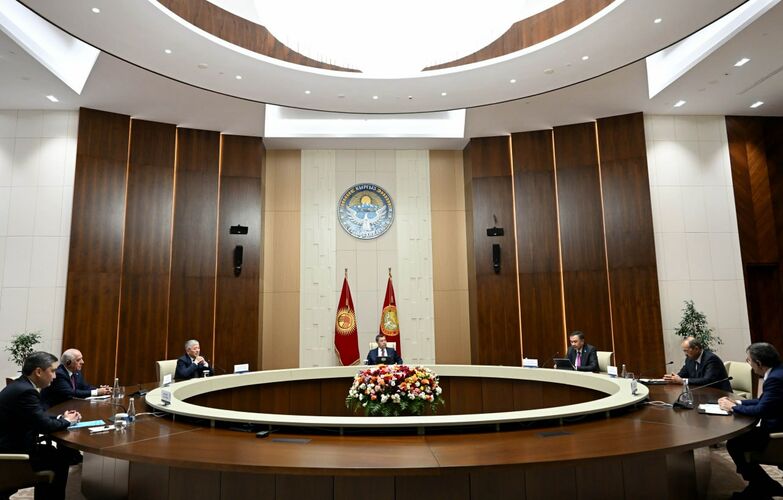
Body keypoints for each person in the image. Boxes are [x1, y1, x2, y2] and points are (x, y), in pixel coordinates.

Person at [0, 352, 81, 500]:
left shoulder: (21, 385)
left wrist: (61, 418)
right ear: (38, 372)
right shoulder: (26, 391)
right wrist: (68, 421)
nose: (55, 376)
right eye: (53, 371)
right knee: (60, 460)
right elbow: (44, 426)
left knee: (53, 453)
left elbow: (37, 416)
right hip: (11, 453)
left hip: (12, 444)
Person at [719, 343, 783, 499]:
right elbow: (763, 401)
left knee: (735, 444)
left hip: (777, 433)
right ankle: (763, 485)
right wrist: (738, 402)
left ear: (759, 363)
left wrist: (733, 408)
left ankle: (763, 485)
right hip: (777, 423)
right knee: (738, 441)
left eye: (749, 360)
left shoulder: (775, 379)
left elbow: (761, 410)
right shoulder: (778, 372)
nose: (748, 363)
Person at [41, 348, 112, 407]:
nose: (82, 362)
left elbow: (85, 387)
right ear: (68, 362)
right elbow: (70, 393)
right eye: (78, 360)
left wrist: (101, 390)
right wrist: (97, 392)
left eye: (82, 359)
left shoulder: (76, 372)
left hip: (70, 406)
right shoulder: (59, 374)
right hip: (54, 408)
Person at [663, 336, 732, 391]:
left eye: (686, 351)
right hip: (702, 393)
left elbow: (707, 380)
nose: (685, 354)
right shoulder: (689, 359)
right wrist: (673, 378)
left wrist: (683, 381)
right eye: (684, 351)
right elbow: (683, 374)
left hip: (720, 394)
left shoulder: (711, 359)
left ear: (696, 349)